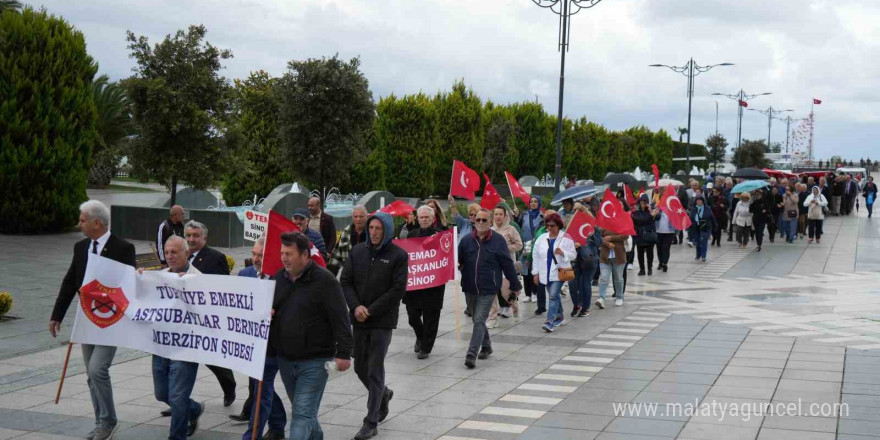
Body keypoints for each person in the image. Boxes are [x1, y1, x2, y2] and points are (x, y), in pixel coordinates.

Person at [49, 200, 136, 440]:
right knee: (90, 373)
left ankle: (108, 421)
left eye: (82, 219)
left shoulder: (123, 248)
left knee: (98, 370)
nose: (79, 224)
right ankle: (101, 422)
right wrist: (57, 315)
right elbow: (70, 281)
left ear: (97, 222)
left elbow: (128, 285)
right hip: (87, 318)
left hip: (110, 319)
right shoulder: (80, 247)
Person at [272, 231, 352, 440]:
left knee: (301, 414)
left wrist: (344, 353)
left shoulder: (325, 281)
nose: (284, 258)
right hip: (286, 360)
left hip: (315, 362)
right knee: (305, 413)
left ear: (305, 255)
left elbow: (341, 319)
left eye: (289, 253)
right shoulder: (278, 278)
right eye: (282, 253)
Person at [341, 212, 408, 440]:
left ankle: (371, 421)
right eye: (371, 228)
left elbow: (398, 289)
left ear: (387, 230)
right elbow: (345, 281)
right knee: (360, 367)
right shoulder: (358, 251)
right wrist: (356, 307)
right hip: (358, 319)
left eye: (379, 228)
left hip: (381, 321)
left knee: (374, 368)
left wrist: (370, 310)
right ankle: (383, 394)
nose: (374, 232)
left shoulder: (398, 255)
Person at [231, 239, 288, 440]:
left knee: (261, 389)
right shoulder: (245, 274)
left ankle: (251, 436)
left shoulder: (281, 277)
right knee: (260, 388)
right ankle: (278, 424)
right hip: (252, 343)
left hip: (274, 345)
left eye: (260, 255)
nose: (255, 259)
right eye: (254, 254)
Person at [149, 236, 205, 440]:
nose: (170, 256)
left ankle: (177, 436)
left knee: (177, 396)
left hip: (186, 348)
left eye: (175, 252)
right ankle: (194, 409)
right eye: (167, 251)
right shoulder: (160, 276)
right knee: (162, 394)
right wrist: (139, 281)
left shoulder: (198, 278)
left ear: (186, 253)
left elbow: (207, 314)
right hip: (162, 345)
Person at [458, 208, 522, 369]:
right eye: (477, 220)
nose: (480, 223)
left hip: (488, 287)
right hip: (469, 287)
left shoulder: (498, 240)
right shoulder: (466, 241)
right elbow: (459, 260)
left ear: (490, 221)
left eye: (484, 220)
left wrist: (515, 286)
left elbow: (506, 264)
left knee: (480, 319)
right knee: (476, 319)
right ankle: (487, 346)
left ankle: (471, 354)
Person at [183, 221, 237, 408]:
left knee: (212, 360)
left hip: (206, 318)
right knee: (181, 365)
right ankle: (179, 399)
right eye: (188, 235)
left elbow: (222, 290)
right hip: (183, 320)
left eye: (196, 236)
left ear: (204, 238)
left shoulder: (216, 258)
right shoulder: (179, 256)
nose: (191, 239)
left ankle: (228, 385)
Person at [403, 206, 447, 359]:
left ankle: (426, 348)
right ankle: (421, 336)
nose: (424, 220)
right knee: (412, 315)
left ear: (433, 219)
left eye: (427, 217)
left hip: (434, 284)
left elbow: (446, 257)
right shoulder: (412, 235)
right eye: (421, 218)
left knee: (431, 318)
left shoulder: (440, 236)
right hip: (415, 282)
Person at [532, 213, 576, 332]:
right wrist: (535, 273)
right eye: (548, 225)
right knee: (554, 296)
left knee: (552, 296)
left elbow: (573, 255)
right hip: (544, 272)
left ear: (558, 225)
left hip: (559, 272)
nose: (550, 228)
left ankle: (549, 321)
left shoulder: (566, 237)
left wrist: (563, 253)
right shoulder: (542, 238)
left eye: (552, 226)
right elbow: (535, 256)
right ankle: (560, 316)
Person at [488, 204, 523, 322]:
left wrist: (505, 248)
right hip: (492, 265)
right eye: (496, 214)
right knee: (492, 291)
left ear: (505, 216)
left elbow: (519, 245)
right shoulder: (490, 230)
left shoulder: (511, 229)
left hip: (506, 265)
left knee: (505, 292)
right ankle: (492, 317)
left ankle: (514, 306)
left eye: (500, 214)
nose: (498, 217)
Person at [526, 209, 557, 315]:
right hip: (540, 262)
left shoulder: (559, 232)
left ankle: (556, 311)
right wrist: (530, 258)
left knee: (552, 290)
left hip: (553, 265)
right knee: (540, 285)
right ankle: (541, 306)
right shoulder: (540, 230)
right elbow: (535, 246)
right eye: (546, 217)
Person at [571, 204, 598, 317]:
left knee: (585, 284)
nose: (577, 213)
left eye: (579, 210)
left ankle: (585, 308)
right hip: (572, 260)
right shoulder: (570, 225)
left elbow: (597, 240)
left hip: (588, 260)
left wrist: (585, 241)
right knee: (572, 284)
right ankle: (577, 304)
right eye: (575, 211)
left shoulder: (590, 225)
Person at [517, 196, 544, 304]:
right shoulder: (524, 215)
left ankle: (534, 293)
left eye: (535, 202)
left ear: (539, 203)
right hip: (525, 246)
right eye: (531, 202)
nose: (533, 203)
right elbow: (518, 226)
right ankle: (527, 294)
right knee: (525, 271)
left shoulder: (542, 216)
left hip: (537, 245)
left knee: (535, 270)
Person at [329, 205, 368, 275]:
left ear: (366, 217)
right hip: (349, 273)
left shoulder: (371, 233)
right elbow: (337, 255)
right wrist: (330, 276)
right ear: (352, 218)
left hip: (366, 273)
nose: (358, 219)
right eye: (356, 216)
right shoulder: (346, 232)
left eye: (361, 216)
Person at [595, 227, 627, 308]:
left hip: (619, 256)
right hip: (605, 256)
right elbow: (598, 237)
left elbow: (626, 236)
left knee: (618, 278)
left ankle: (619, 297)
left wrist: (611, 238)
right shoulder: (603, 223)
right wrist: (607, 243)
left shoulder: (621, 222)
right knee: (603, 278)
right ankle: (601, 298)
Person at [631, 194, 659, 275]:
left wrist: (651, 211)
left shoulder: (651, 210)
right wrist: (651, 216)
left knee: (650, 253)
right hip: (639, 235)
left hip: (649, 234)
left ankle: (650, 268)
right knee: (640, 253)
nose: (642, 204)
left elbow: (658, 217)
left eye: (644, 202)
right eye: (641, 202)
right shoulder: (636, 212)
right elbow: (638, 221)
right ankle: (642, 269)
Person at [690, 196, 716, 261]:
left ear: (703, 201)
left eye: (700, 200)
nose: (699, 201)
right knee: (698, 242)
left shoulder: (707, 208)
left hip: (705, 227)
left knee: (703, 241)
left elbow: (712, 217)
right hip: (696, 228)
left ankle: (703, 256)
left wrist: (715, 225)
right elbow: (691, 219)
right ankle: (698, 255)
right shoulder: (694, 209)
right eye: (697, 200)